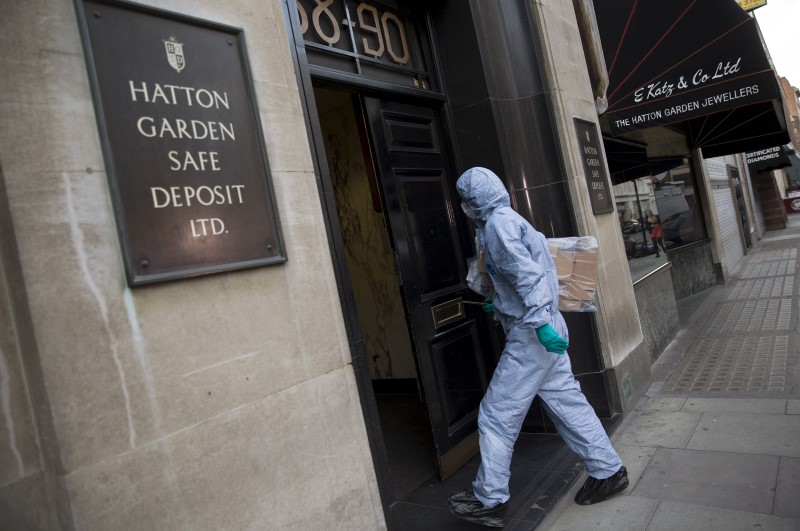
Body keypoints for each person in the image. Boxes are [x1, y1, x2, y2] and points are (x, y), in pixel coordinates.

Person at [448, 167, 628, 527]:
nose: (465, 206)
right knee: (566, 400)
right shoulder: (505, 220)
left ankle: (490, 497)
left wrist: (540, 323)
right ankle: (608, 470)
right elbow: (521, 272)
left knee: (497, 415)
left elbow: (528, 276)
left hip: (533, 332)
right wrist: (498, 299)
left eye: (466, 200)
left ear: (473, 201)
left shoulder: (497, 226)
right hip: (539, 326)